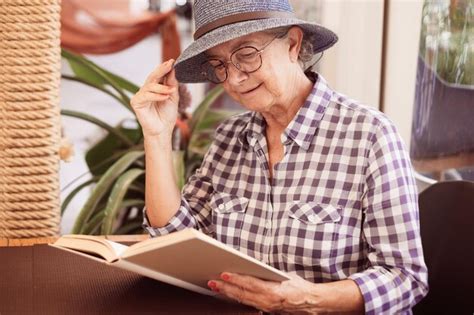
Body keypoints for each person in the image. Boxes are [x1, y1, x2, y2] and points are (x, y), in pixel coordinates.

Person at [130, 0, 428, 313]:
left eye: (246, 55)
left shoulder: (370, 134)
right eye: (220, 65)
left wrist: (310, 299)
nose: (233, 79)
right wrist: (157, 136)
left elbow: (405, 278)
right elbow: (175, 242)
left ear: (293, 44)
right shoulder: (229, 138)